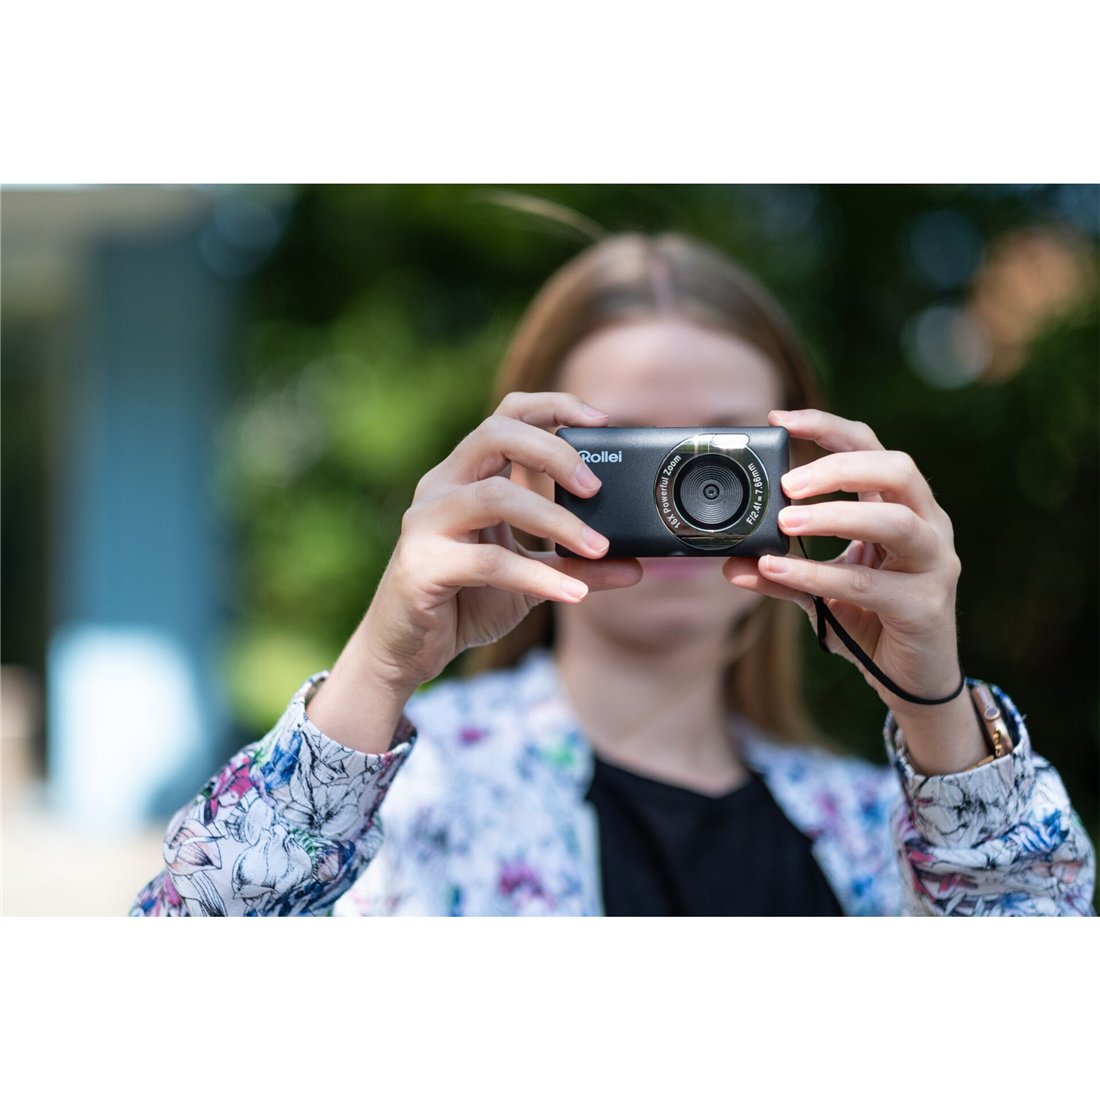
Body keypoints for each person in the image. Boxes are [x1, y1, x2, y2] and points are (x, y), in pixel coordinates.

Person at [131, 231, 1095, 917]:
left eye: (723, 453)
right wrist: (377, 674)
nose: (688, 495)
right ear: (521, 465)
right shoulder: (407, 792)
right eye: (630, 448)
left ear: (806, 471)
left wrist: (936, 711)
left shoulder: (881, 827)